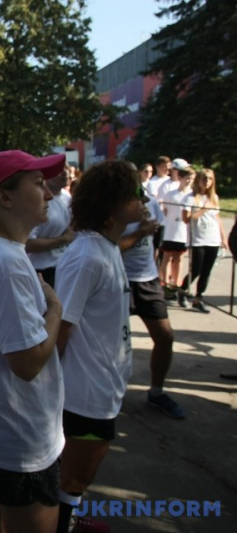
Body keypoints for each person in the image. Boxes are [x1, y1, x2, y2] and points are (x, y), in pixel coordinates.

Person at [0, 150, 65, 533]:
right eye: (38, 184)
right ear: (5, 197)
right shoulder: (6, 262)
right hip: (22, 437)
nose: (49, 194)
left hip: (9, 433)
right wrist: (55, 309)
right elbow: (27, 363)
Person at [54, 161, 148, 533]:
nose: (144, 199)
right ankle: (63, 522)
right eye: (136, 193)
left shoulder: (106, 248)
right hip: (85, 394)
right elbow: (60, 327)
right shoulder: (87, 256)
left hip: (102, 387)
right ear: (111, 203)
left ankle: (69, 516)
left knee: (80, 476)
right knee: (74, 476)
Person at [120, 166, 185, 420]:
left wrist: (156, 270)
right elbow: (109, 246)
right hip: (120, 281)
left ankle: (157, 392)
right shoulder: (113, 207)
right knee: (113, 344)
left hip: (148, 281)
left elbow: (156, 239)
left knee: (165, 337)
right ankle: (108, 396)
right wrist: (139, 233)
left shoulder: (151, 202)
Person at [180, 168, 229, 313]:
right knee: (196, 270)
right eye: (204, 178)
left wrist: (223, 237)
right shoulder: (190, 198)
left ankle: (198, 299)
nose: (207, 181)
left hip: (213, 238)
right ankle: (182, 290)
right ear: (198, 180)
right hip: (198, 239)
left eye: (210, 179)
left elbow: (217, 218)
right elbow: (186, 219)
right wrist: (203, 209)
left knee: (206, 271)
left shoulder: (214, 198)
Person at [26, 165, 75, 287]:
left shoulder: (67, 197)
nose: (64, 173)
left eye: (66, 168)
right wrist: (61, 240)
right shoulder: (38, 202)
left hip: (64, 266)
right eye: (59, 170)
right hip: (42, 272)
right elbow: (28, 244)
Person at [158, 166, 194, 303]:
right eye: (186, 178)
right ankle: (164, 284)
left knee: (178, 258)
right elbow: (165, 211)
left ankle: (175, 284)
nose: (189, 181)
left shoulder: (192, 195)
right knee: (167, 257)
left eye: (191, 179)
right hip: (171, 230)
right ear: (180, 178)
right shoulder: (170, 194)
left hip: (183, 232)